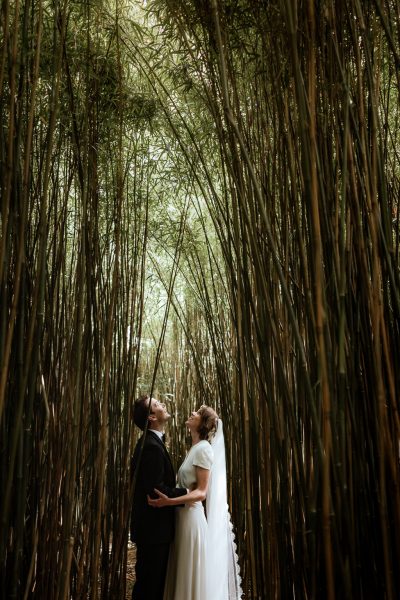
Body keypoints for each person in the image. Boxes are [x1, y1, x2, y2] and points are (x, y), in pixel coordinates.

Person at [148, 405, 242, 600]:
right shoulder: (195, 448)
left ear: (204, 424)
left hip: (191, 518)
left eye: (198, 414)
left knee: (189, 570)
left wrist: (170, 501)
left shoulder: (204, 450)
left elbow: (201, 492)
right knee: (182, 568)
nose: (192, 413)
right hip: (182, 517)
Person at [130, 395, 188, 600]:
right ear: (151, 417)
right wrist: (188, 494)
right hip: (153, 531)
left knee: (151, 585)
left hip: (154, 530)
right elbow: (157, 490)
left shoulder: (152, 442)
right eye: (156, 404)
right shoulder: (151, 446)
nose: (162, 404)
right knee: (149, 587)